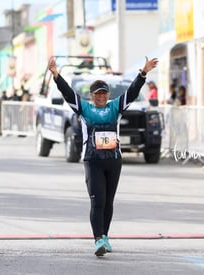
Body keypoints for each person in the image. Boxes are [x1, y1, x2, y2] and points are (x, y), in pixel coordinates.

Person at [48, 56, 158, 256]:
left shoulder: (115, 106)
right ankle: (97, 239)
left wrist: (143, 73)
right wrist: (56, 75)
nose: (101, 97)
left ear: (108, 95)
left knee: (108, 202)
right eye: (98, 94)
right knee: (97, 200)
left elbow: (132, 92)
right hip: (93, 161)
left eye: (104, 93)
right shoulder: (83, 108)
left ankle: (105, 236)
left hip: (114, 161)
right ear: (91, 96)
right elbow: (67, 93)